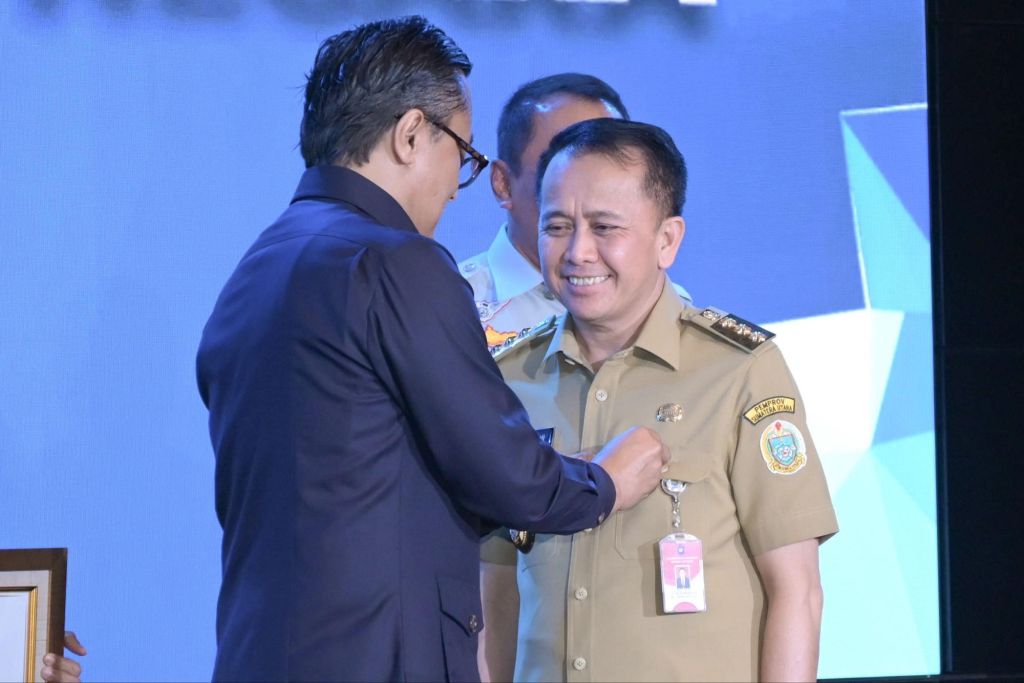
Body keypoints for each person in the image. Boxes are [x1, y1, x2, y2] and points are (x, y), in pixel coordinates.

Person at [195, 17, 669, 682]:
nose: (453, 185)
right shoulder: (397, 262)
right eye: (463, 155)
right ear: (412, 133)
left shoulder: (254, 272)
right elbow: (504, 473)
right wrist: (605, 482)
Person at [479, 119, 839, 682]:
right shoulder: (507, 379)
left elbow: (797, 592)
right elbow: (494, 593)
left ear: (668, 239)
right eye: (557, 226)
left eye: (605, 227)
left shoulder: (739, 371)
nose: (578, 252)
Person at [457, 74, 689, 355]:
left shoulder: (670, 308)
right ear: (503, 183)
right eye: (561, 161)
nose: (585, 179)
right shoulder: (451, 307)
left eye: (607, 161)